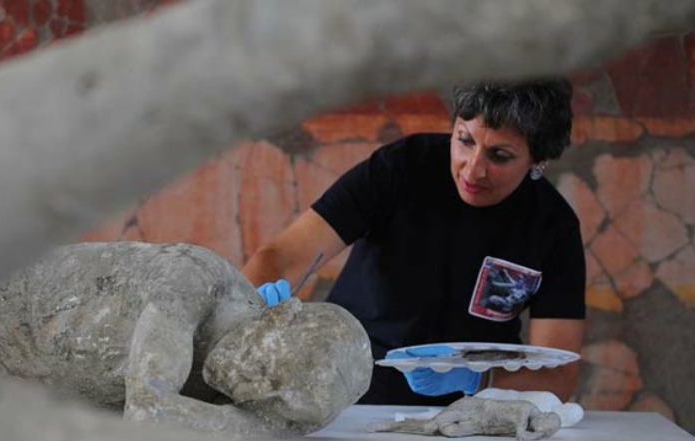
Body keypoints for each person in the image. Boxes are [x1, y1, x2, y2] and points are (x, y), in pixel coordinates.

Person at [243, 78, 585, 406]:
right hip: (345, 397)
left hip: (473, 418)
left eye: (499, 155)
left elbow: (558, 377)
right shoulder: (401, 167)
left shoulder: (554, 226)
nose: (472, 169)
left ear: (538, 160)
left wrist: (474, 378)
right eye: (465, 140)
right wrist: (253, 306)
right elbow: (281, 256)